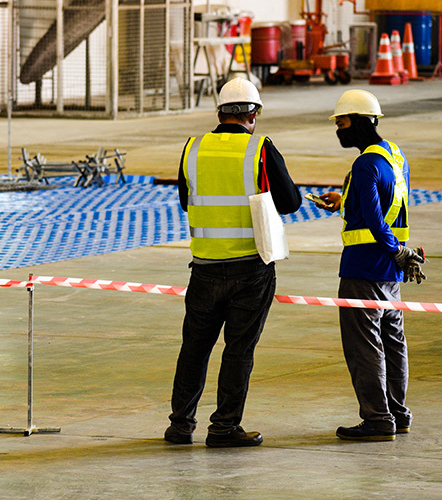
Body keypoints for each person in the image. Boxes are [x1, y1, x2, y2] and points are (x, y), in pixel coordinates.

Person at [165, 77, 302, 448]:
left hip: (204, 268)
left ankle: (180, 426)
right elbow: (290, 203)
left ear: (220, 112)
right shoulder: (260, 148)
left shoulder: (193, 148)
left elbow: (184, 200)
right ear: (253, 114)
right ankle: (224, 427)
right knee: (238, 350)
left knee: (194, 349)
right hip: (250, 271)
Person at [313, 89, 425, 441]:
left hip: (363, 270)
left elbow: (377, 222)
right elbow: (392, 202)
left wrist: (396, 251)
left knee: (365, 347)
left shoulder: (363, 164)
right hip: (391, 273)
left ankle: (377, 420)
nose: (338, 130)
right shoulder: (394, 154)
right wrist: (345, 199)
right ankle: (397, 413)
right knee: (393, 342)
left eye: (342, 123)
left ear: (360, 123)